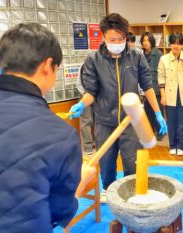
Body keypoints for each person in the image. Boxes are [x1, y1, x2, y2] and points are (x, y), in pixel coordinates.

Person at [0, 23, 84, 232]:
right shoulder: (60, 134)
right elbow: (61, 212)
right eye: (56, 70)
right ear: (47, 65)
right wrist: (82, 183)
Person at [69, 13, 167, 203]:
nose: (117, 43)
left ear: (126, 36)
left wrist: (157, 113)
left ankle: (130, 190)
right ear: (103, 37)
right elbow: (91, 91)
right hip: (105, 120)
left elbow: (147, 86)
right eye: (112, 39)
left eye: (121, 39)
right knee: (106, 161)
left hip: (131, 120)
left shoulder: (136, 56)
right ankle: (107, 187)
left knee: (132, 161)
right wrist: (81, 103)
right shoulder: (93, 60)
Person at [158, 32, 183, 156]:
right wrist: (163, 95)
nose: (176, 46)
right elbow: (161, 78)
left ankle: (181, 146)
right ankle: (172, 145)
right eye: (173, 43)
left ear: (182, 45)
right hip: (169, 95)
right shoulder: (163, 59)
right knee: (171, 122)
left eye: (178, 44)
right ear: (170, 44)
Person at [140, 31, 165, 140]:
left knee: (158, 111)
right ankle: (150, 131)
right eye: (143, 41)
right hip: (145, 89)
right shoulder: (140, 54)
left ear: (152, 42)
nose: (145, 43)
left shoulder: (158, 54)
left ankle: (160, 132)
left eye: (147, 41)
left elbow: (162, 72)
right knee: (148, 111)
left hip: (156, 88)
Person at [76, 64, 95, 155]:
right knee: (86, 121)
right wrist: (85, 96)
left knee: (99, 120)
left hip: (98, 97)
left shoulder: (103, 66)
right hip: (84, 94)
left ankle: (100, 143)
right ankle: (88, 146)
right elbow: (79, 84)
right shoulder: (84, 66)